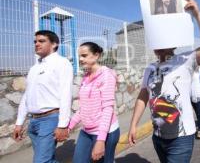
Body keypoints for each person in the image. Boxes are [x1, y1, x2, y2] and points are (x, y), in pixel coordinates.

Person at [128, 0, 200, 163]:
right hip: (158, 136)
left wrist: (197, 14)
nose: (159, 45)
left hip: (181, 137)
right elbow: (142, 96)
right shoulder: (150, 69)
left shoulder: (186, 60)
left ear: (173, 43)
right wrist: (133, 125)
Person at [13, 30, 73, 163]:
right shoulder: (34, 68)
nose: (36, 44)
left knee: (41, 161)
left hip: (50, 120)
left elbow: (66, 95)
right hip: (33, 121)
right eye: (35, 41)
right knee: (47, 159)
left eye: (41, 41)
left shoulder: (62, 63)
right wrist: (19, 123)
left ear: (54, 44)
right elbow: (26, 97)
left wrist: (62, 125)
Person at [68, 42, 120, 163]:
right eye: (79, 56)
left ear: (96, 55)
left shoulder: (106, 75)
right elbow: (83, 108)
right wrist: (69, 127)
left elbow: (108, 109)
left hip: (105, 132)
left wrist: (101, 140)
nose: (80, 59)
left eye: (84, 55)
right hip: (86, 131)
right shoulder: (86, 77)